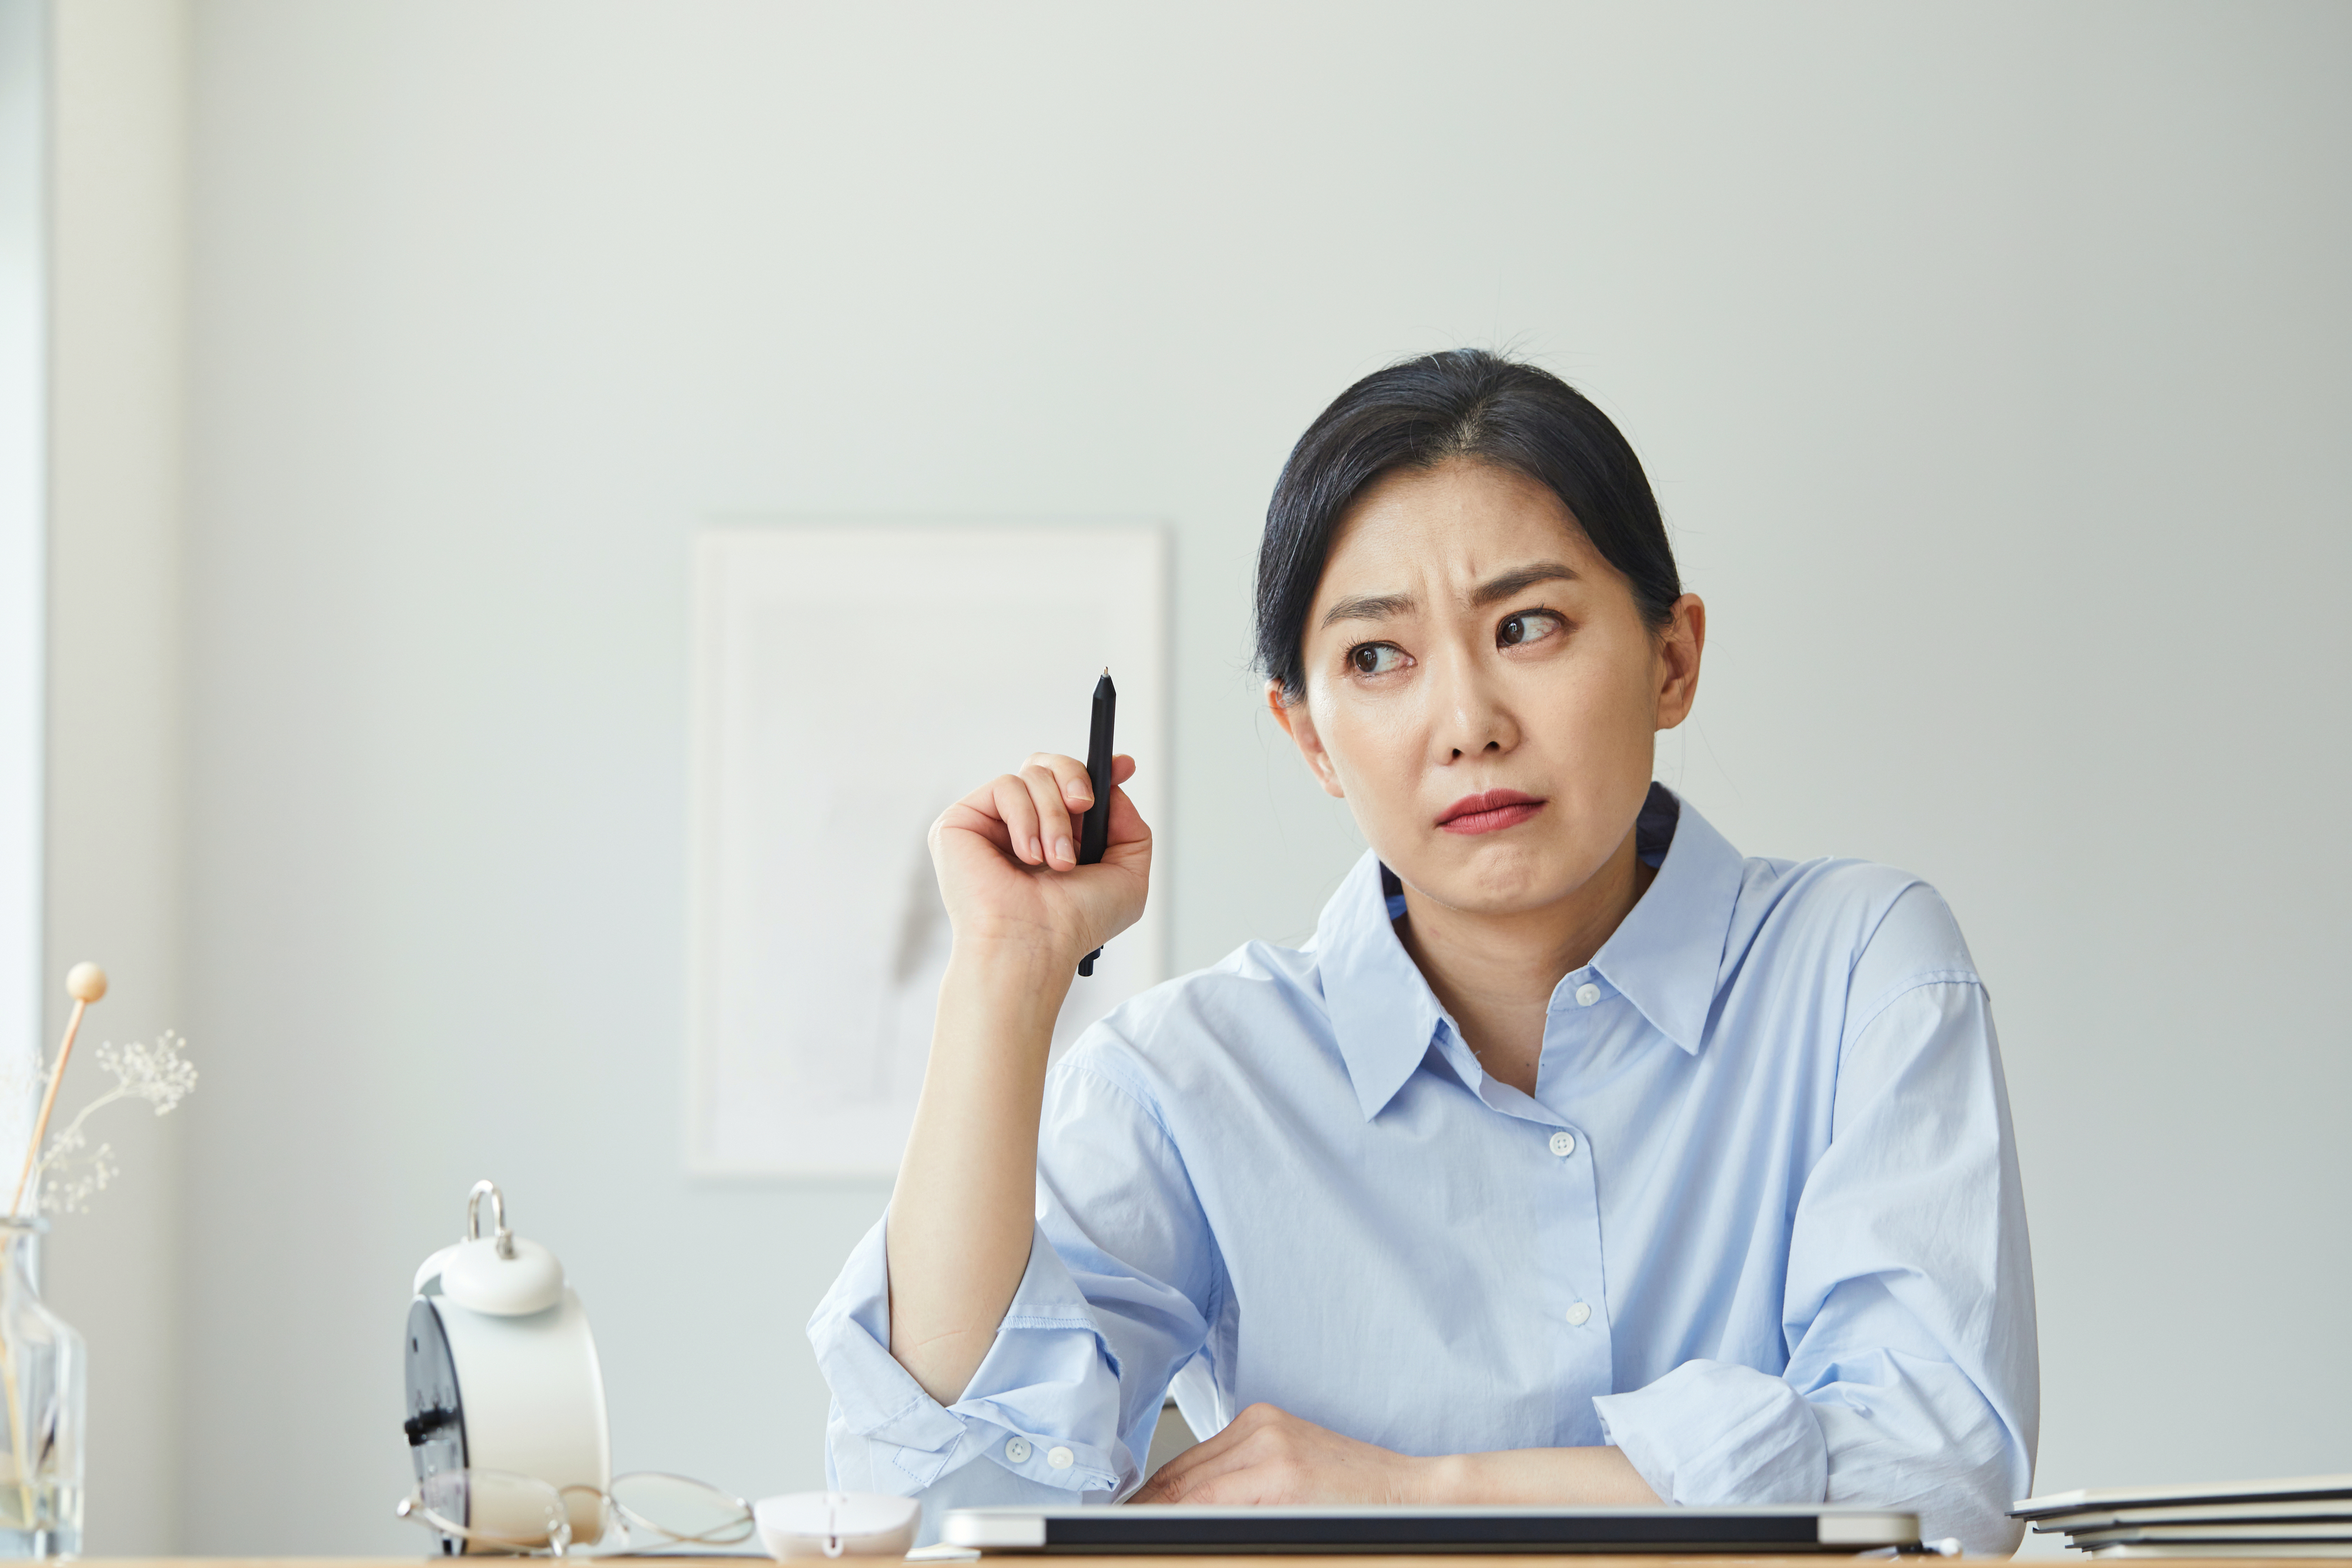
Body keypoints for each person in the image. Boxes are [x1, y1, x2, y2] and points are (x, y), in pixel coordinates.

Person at [807, 349, 2036, 1552]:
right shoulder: (1190, 1075)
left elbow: (1931, 1467)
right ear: (1309, 739)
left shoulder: (1860, 968)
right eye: (1376, 657)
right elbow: (944, 1491)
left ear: (1671, 658)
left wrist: (1414, 1489)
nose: (1468, 724)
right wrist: (1002, 975)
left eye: (1530, 623)